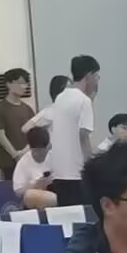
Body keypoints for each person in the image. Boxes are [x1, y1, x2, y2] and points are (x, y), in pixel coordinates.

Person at [43, 56, 100, 206]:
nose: (97, 81)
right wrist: (91, 167)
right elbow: (83, 135)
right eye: (96, 76)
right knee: (83, 215)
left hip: (59, 173)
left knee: (66, 214)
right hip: (77, 173)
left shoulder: (60, 98)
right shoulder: (83, 101)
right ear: (88, 76)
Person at [0, 68, 37, 180]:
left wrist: (25, 151)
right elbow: (0, 135)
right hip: (8, 163)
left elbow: (34, 133)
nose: (24, 86)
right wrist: (15, 154)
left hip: (28, 160)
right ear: (8, 84)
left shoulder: (28, 109)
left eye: (25, 83)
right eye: (20, 82)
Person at [10, 125, 58, 210]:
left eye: (43, 151)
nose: (40, 155)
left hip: (53, 194)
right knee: (30, 195)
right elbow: (18, 191)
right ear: (30, 148)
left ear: (48, 146)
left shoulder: (55, 157)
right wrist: (35, 185)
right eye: (36, 151)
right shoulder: (24, 163)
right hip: (33, 202)